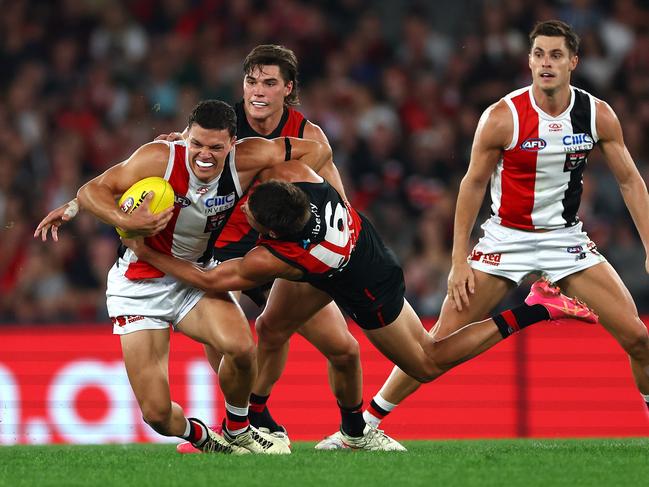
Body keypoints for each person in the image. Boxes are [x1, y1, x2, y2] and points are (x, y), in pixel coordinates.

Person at [121, 161, 598, 448]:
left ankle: (536, 307)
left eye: (249, 216)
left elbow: (211, 277)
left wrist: (148, 252)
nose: (243, 210)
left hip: (367, 283)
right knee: (268, 330)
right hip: (347, 247)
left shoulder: (287, 255)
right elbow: (296, 159)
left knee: (427, 362)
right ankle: (254, 423)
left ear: (268, 237)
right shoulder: (301, 181)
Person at [342, 19, 649, 437]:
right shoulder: (502, 117)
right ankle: (364, 427)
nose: (546, 63)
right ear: (529, 60)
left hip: (566, 240)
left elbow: (630, 180)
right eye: (539, 54)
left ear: (574, 62)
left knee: (638, 339)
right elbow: (471, 184)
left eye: (556, 55)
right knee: (434, 347)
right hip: (506, 239)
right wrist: (457, 260)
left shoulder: (597, 115)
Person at [33, 99, 338, 454]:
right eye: (196, 144)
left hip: (193, 277)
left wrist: (268, 183)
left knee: (241, 349)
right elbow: (93, 189)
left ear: (233, 144)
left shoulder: (249, 158)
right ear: (186, 138)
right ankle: (203, 439)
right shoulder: (160, 158)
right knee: (157, 414)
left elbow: (317, 149)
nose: (204, 155)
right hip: (138, 285)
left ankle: (238, 430)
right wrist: (125, 220)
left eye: (215, 147)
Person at [162, 45, 401, 452]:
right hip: (226, 248)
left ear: (287, 89)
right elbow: (185, 159)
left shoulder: (309, 136)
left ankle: (355, 434)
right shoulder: (224, 124)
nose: (257, 91)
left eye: (269, 83)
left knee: (343, 349)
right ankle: (247, 424)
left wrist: (333, 257)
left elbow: (336, 199)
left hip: (282, 252)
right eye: (251, 81)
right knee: (225, 345)